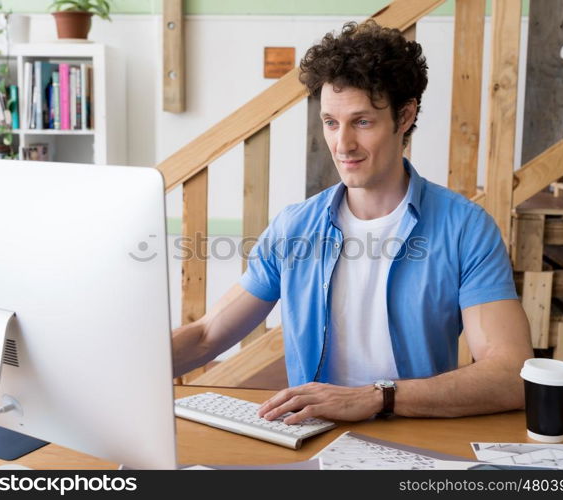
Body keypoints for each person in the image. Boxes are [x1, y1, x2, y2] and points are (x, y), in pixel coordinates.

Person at [172, 20, 533, 424]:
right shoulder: (295, 227)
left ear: (405, 116)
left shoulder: (465, 229)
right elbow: (207, 335)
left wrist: (378, 397)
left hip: (419, 437)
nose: (342, 145)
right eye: (330, 122)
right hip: (311, 435)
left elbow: (511, 374)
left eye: (362, 122)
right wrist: (113, 366)